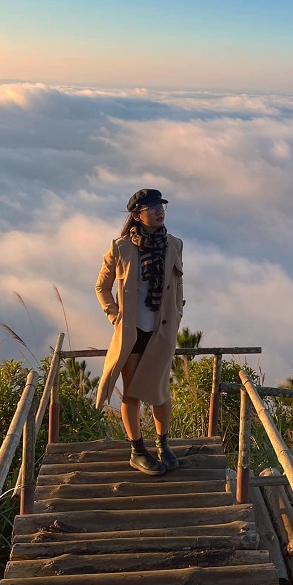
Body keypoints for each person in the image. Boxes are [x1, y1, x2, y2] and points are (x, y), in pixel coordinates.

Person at [95, 188, 184, 475]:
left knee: (160, 393)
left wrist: (178, 312)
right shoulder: (120, 248)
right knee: (131, 395)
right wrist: (115, 317)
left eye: (161, 206)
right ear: (137, 214)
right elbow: (102, 287)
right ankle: (137, 450)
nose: (159, 211)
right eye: (152, 207)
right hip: (131, 331)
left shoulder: (174, 245)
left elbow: (178, 284)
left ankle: (162, 443)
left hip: (161, 332)